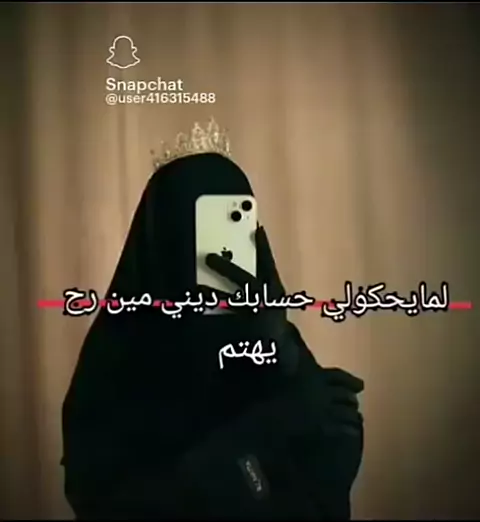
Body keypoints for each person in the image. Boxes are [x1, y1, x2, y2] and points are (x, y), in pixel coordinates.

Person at [62, 121, 364, 520]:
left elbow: (322, 484)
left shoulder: (267, 340)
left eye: (235, 222)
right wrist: (263, 433)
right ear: (161, 237)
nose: (220, 249)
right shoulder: (115, 365)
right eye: (201, 227)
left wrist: (281, 348)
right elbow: (116, 505)